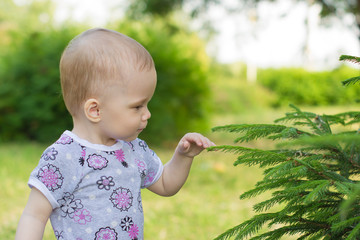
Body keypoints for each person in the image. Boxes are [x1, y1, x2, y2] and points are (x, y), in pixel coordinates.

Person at [15, 28, 215, 240]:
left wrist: (183, 157)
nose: (147, 114)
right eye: (137, 107)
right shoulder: (64, 157)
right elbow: (34, 216)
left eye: (147, 104)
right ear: (95, 110)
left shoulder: (134, 149)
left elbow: (166, 184)